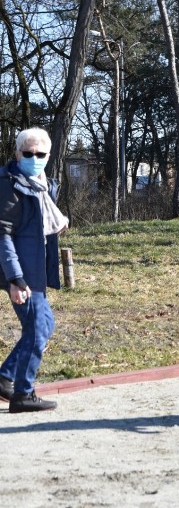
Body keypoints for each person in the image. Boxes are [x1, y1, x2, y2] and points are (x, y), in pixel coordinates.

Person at [0, 127, 68, 413]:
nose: (34, 158)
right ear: (17, 153)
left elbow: (40, 227)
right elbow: (3, 235)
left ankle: (5, 378)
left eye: (40, 154)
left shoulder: (43, 184)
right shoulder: (9, 184)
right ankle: (23, 393)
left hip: (36, 271)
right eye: (28, 154)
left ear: (48, 155)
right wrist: (16, 279)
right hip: (21, 273)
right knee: (39, 328)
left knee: (44, 324)